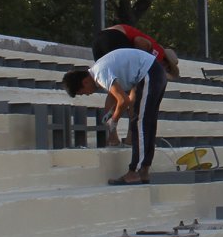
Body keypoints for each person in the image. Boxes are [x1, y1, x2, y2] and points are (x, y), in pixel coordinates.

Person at [64, 46, 167, 185]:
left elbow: (123, 100)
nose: (87, 94)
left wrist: (114, 121)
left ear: (84, 82)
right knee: (148, 123)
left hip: (149, 73)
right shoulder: (100, 69)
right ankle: (144, 171)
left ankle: (134, 172)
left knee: (140, 124)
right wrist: (113, 112)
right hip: (155, 72)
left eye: (83, 92)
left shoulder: (100, 74)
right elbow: (123, 98)